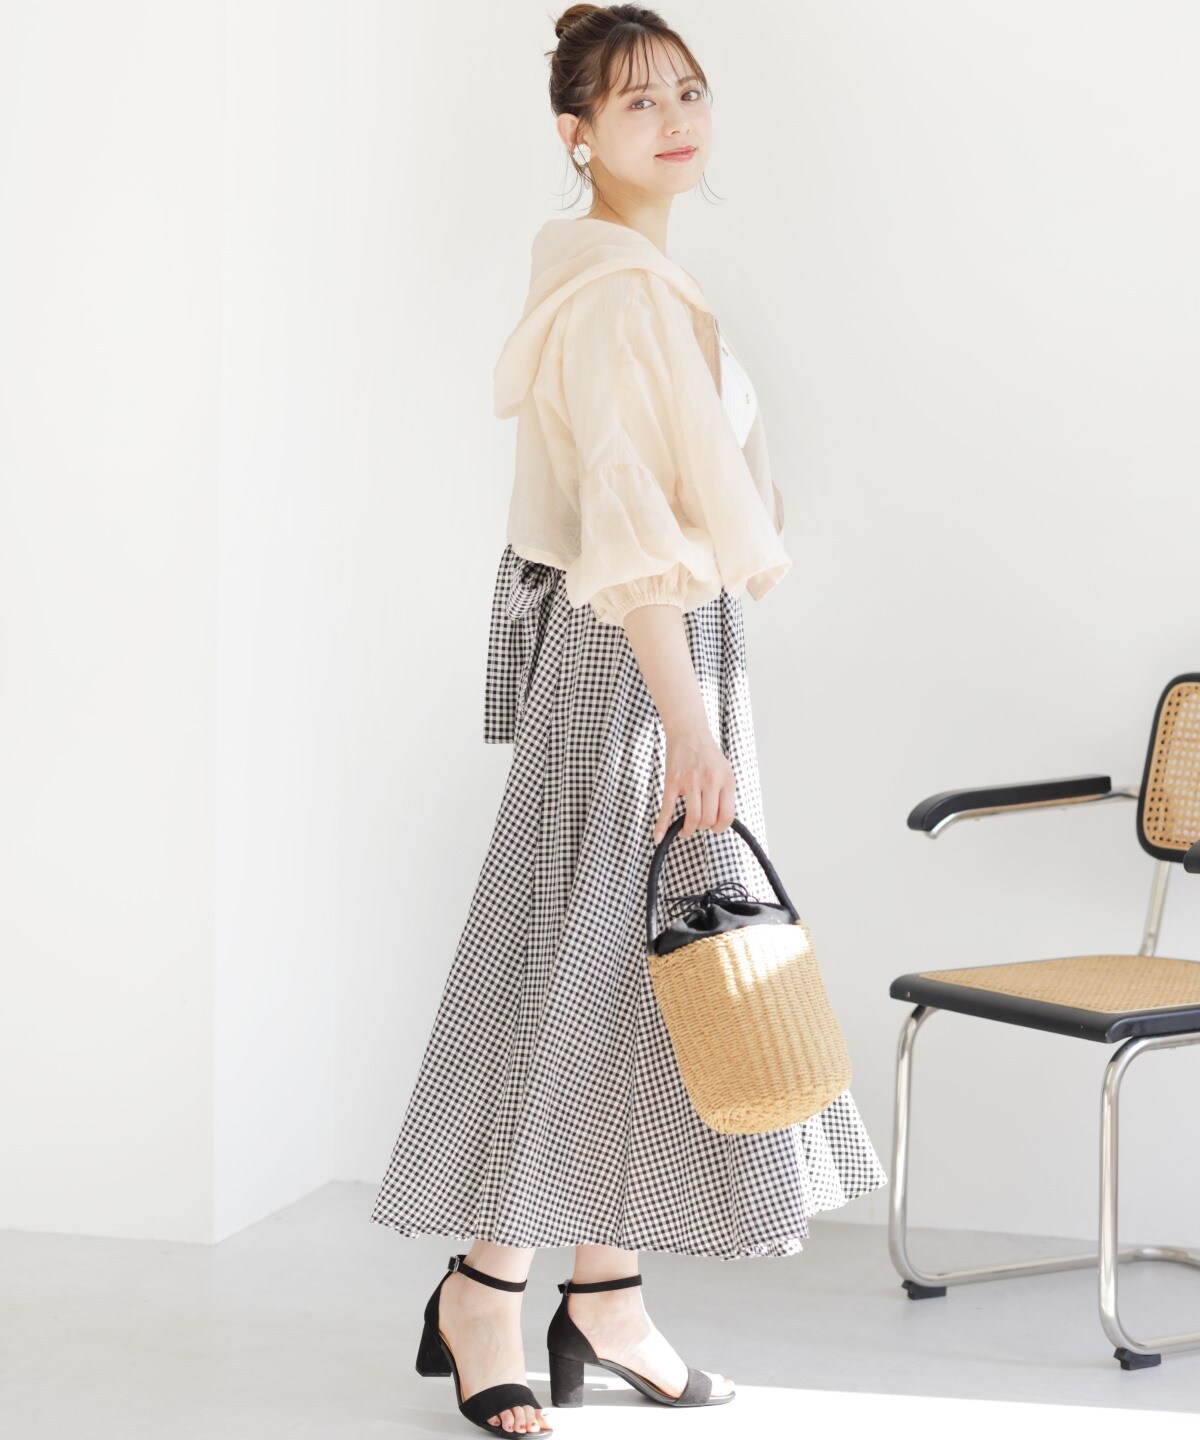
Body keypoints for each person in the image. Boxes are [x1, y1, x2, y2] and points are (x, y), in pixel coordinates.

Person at [370, 5, 888, 1433]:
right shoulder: (614, 295)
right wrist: (690, 723)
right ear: (576, 132)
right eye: (637, 99)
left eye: (689, 92)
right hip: (637, 664)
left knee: (656, 973)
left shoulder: (643, 280)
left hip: (674, 657)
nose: (675, 119)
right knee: (592, 965)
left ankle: (606, 1294)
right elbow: (626, 528)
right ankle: (487, 1285)